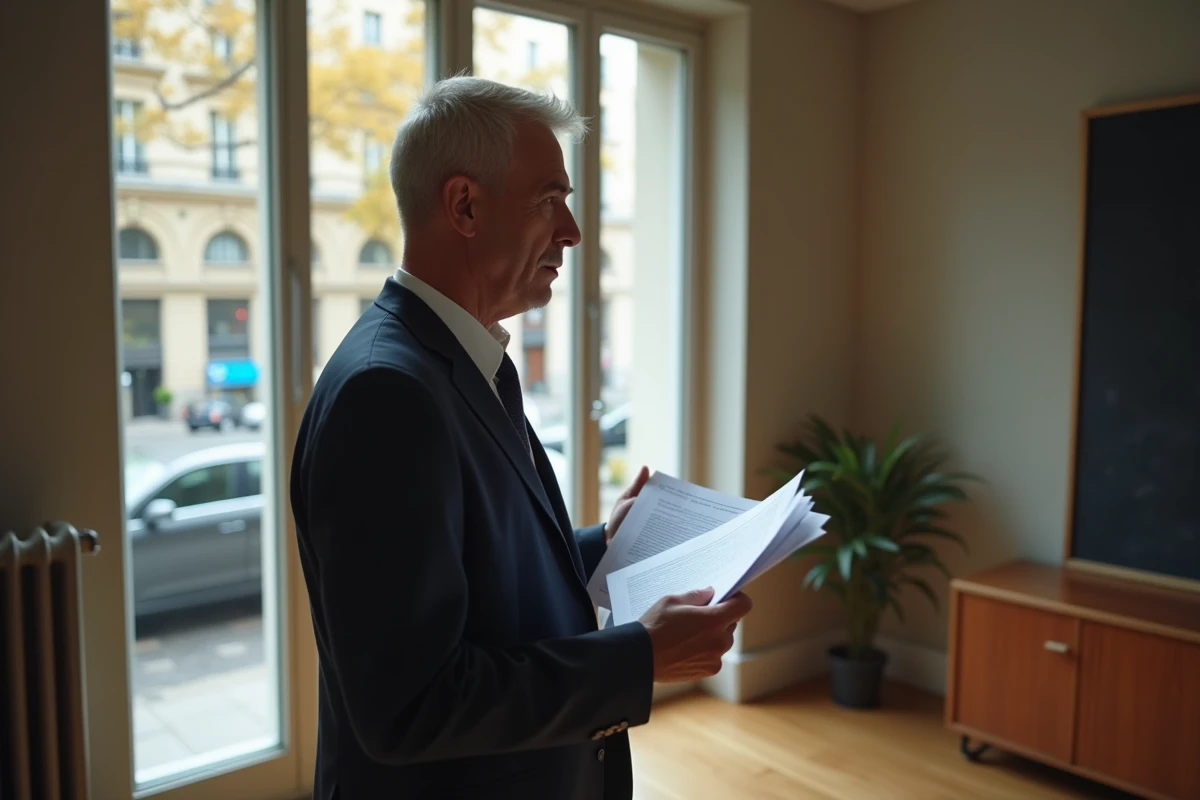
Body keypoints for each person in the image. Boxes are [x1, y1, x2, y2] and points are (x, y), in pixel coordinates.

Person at [290, 76, 752, 800]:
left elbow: (477, 573)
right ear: (464, 205)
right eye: (550, 200)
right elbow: (410, 706)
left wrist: (605, 541)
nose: (571, 231)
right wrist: (638, 658)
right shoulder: (388, 395)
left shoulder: (459, 360)